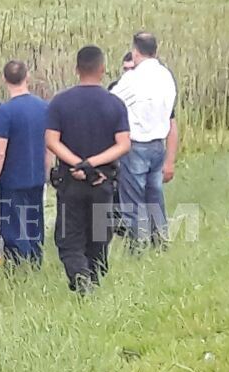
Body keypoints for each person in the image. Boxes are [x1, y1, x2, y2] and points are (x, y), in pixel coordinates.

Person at [46, 46, 131, 294]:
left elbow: (51, 141)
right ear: (102, 70)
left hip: (71, 181)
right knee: (99, 235)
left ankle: (80, 276)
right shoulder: (115, 104)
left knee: (70, 238)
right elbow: (124, 144)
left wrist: (77, 163)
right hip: (102, 180)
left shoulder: (60, 102)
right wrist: (93, 164)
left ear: (77, 69)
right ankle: (92, 276)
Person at [110, 33, 179, 249]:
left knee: (133, 200)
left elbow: (111, 102)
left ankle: (138, 245)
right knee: (154, 196)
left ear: (135, 52)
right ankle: (160, 240)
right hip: (158, 145)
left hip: (136, 144)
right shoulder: (166, 76)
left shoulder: (132, 79)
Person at [0, 61, 49, 264]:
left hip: (13, 181)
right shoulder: (44, 107)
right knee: (34, 226)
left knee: (14, 231)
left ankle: (19, 270)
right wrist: (45, 174)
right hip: (36, 177)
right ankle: (35, 265)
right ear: (27, 76)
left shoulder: (5, 111)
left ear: (4, 80)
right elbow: (49, 146)